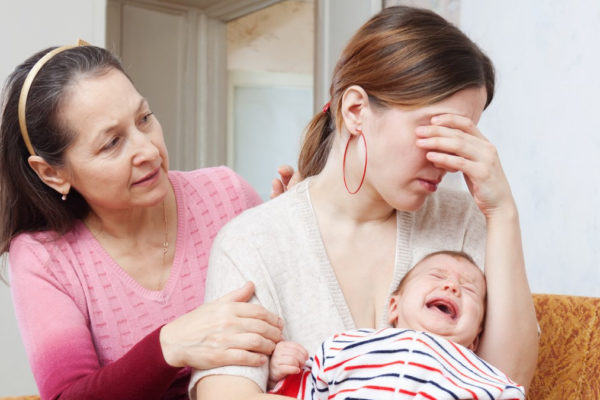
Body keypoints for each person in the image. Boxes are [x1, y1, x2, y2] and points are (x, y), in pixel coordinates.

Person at [192, 6, 538, 399]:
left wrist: (503, 213)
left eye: (462, 137)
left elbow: (507, 384)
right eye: (437, 131)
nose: (448, 160)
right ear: (356, 110)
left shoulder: (463, 222)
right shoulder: (252, 242)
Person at [0, 42, 291, 399]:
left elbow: (295, 330)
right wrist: (169, 346)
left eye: (145, 119)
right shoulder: (45, 257)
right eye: (112, 143)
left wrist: (296, 235)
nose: (149, 151)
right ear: (51, 173)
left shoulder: (227, 194)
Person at [266, 251, 525, 399]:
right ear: (394, 306)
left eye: (468, 288)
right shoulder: (347, 344)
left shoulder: (483, 375)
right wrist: (282, 373)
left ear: (475, 341)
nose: (451, 286)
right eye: (436, 275)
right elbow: (309, 390)